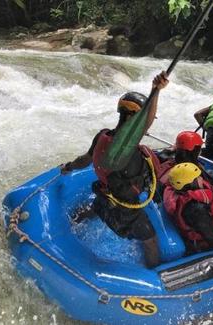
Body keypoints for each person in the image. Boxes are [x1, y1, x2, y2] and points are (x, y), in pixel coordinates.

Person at [59, 71, 169, 268]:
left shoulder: (103, 135)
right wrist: (156, 91)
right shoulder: (123, 151)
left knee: (95, 209)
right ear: (134, 119)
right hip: (124, 208)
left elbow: (85, 159)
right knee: (150, 240)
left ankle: (70, 222)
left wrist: (68, 167)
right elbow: (146, 123)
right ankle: (154, 273)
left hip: (104, 196)